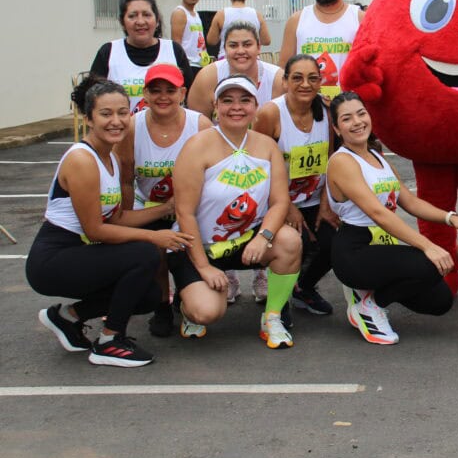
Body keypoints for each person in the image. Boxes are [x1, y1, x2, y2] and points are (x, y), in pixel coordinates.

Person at [27, 77, 192, 367]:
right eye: (106, 114)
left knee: (149, 295)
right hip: (53, 260)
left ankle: (67, 317)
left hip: (80, 252)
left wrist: (167, 208)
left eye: (122, 113)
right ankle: (109, 341)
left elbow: (118, 218)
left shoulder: (110, 157)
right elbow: (95, 230)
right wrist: (155, 237)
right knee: (145, 253)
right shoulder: (82, 160)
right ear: (89, 119)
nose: (116, 121)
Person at [326, 91, 458, 345]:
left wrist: (451, 217)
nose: (357, 122)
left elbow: (410, 201)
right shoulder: (342, 161)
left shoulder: (378, 157)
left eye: (361, 114)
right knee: (430, 264)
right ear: (337, 129)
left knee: (440, 301)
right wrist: (428, 246)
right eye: (347, 119)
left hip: (380, 246)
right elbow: (378, 213)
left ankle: (367, 292)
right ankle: (369, 306)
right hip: (354, 250)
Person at [169, 75, 302, 348]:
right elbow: (184, 213)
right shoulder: (197, 146)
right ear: (216, 106)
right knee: (206, 312)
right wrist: (203, 266)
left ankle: (272, 316)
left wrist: (263, 236)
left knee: (289, 240)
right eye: (227, 100)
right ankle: (185, 304)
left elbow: (280, 202)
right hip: (200, 246)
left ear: (255, 106)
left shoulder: (267, 146)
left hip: (245, 241)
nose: (236, 107)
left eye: (244, 100)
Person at [115, 64, 211, 337]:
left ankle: (185, 292)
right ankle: (162, 306)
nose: (163, 96)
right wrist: (127, 220)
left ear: (183, 92)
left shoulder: (200, 125)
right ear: (145, 94)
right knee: (154, 251)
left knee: (187, 249)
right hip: (149, 206)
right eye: (155, 90)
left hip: (191, 208)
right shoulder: (132, 127)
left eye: (170, 90)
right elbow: (126, 179)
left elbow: (212, 174)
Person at [253, 54, 337, 317]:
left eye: (313, 78)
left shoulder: (326, 112)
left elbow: (330, 161)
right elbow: (258, 169)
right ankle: (278, 305)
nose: (305, 84)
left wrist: (325, 205)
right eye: (297, 78)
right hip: (276, 201)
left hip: (315, 199)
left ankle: (304, 288)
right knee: (294, 245)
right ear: (285, 81)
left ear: (320, 82)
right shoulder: (270, 113)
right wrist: (287, 207)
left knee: (335, 242)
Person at [90, 0, 193, 112]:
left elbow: (191, 95)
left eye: (146, 15)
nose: (140, 21)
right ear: (122, 22)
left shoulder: (174, 50)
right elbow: (91, 99)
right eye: (132, 16)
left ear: (157, 20)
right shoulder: (108, 52)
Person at [277, 0, 364, 100]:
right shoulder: (296, 20)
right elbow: (283, 69)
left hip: (348, 105)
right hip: (307, 105)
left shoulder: (359, 18)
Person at [187, 21, 284, 121]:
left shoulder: (277, 80)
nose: (240, 51)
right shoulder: (207, 77)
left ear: (258, 47)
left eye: (247, 45)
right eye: (233, 45)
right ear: (224, 49)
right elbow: (197, 124)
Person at [205, 0, 271, 60]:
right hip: (251, 58)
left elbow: (211, 41)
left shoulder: (221, 15)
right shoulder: (257, 14)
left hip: (227, 58)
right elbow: (266, 41)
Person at [170, 0, 210, 79]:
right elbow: (176, 42)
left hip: (201, 63)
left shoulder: (195, 13)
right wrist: (181, 64)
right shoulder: (180, 13)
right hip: (188, 64)